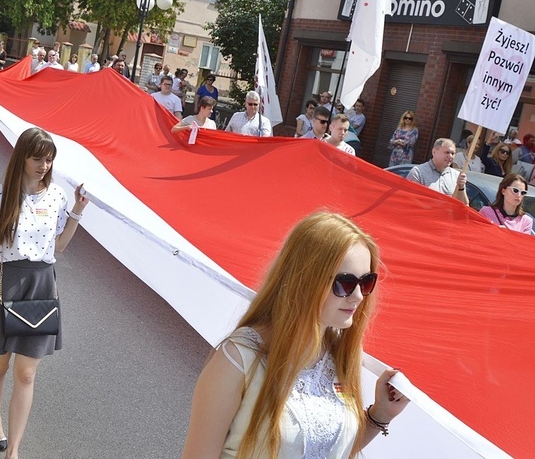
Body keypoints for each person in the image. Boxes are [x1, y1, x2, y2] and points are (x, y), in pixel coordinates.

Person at [182, 212, 409, 458]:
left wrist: (380, 415)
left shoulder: (341, 358)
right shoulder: (238, 359)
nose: (357, 296)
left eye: (366, 282)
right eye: (345, 283)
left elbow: (328, 451)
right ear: (306, 280)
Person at [0, 127, 89, 458]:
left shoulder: (57, 196)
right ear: (22, 157)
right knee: (0, 366)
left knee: (27, 373)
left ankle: (13, 450)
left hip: (41, 285)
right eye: (37, 158)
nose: (44, 165)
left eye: (49, 159)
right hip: (3, 284)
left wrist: (77, 213)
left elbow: (57, 247)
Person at [407, 138, 469, 205]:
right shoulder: (418, 172)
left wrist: (461, 187)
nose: (450, 156)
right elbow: (409, 198)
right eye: (447, 152)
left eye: (453, 153)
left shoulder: (457, 176)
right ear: (434, 152)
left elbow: (464, 206)